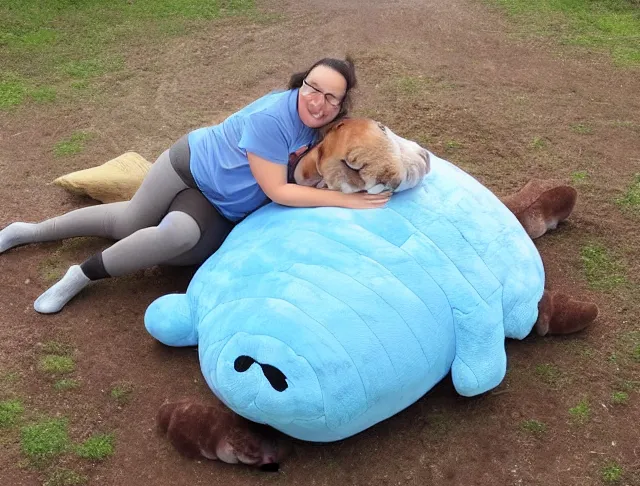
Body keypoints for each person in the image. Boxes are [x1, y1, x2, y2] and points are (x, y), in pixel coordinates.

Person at [0, 57, 391, 314]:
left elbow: (357, 149)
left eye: (330, 97)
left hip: (223, 206)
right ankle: (51, 251)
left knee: (178, 243)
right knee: (129, 225)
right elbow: (279, 192)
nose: (317, 101)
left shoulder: (326, 128)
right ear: (299, 83)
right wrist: (347, 203)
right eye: (311, 87)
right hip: (191, 167)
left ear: (341, 105)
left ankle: (77, 263)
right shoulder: (274, 118)